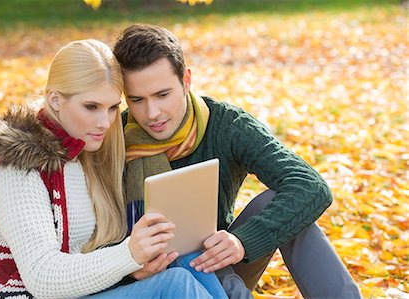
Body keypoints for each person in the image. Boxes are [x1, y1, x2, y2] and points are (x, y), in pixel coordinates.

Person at [0, 39, 226, 299]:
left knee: (185, 257)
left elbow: (86, 259)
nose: (105, 122)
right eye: (91, 107)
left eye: (112, 108)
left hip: (77, 292)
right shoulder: (18, 170)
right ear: (54, 100)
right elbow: (42, 278)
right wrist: (129, 255)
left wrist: (135, 267)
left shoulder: (80, 153)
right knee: (174, 285)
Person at [113, 24, 363, 299]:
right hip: (146, 280)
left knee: (276, 203)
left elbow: (311, 186)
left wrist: (242, 241)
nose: (152, 113)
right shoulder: (113, 139)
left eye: (163, 95)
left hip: (220, 264)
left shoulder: (228, 126)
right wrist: (128, 267)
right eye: (136, 100)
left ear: (186, 81)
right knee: (186, 248)